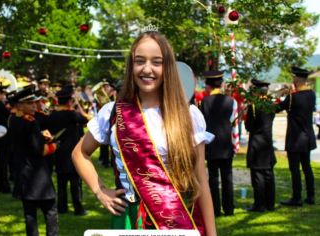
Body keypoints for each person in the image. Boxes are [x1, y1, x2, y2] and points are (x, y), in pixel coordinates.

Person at [72, 31, 216, 235]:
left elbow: (202, 182)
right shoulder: (113, 112)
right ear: (131, 66)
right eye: (140, 61)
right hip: (128, 219)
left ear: (167, 67)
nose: (147, 69)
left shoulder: (188, 115)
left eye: (156, 62)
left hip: (175, 219)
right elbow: (79, 153)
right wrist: (100, 190)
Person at [9, 85, 58, 236]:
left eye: (33, 102)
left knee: (30, 216)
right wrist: (55, 145)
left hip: (23, 174)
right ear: (19, 105)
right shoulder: (30, 122)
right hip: (38, 176)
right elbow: (39, 150)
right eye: (29, 103)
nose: (34, 105)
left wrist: (40, 136)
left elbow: (24, 141)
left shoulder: (14, 119)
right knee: (50, 211)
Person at [200, 71, 238, 217]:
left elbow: (202, 125)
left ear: (208, 85)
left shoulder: (204, 102)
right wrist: (235, 144)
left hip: (212, 144)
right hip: (226, 144)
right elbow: (234, 125)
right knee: (228, 177)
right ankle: (229, 209)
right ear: (221, 84)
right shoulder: (231, 101)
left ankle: (215, 209)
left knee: (213, 178)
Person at [48, 85, 89, 215]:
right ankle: (78, 208)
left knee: (61, 183)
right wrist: (78, 105)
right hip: (73, 153)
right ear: (69, 101)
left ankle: (62, 207)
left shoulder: (53, 115)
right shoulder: (72, 115)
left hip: (59, 152)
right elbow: (85, 119)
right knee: (75, 182)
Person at [278, 66, 316, 206]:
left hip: (295, 137)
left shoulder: (292, 97)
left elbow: (278, 108)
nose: (293, 79)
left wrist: (283, 93)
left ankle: (297, 197)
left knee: (295, 169)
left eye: (294, 77)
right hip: (307, 136)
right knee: (307, 167)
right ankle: (311, 196)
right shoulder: (311, 94)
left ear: (299, 79)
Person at [245, 79, 276, 212]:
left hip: (257, 144)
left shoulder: (254, 106)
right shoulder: (271, 104)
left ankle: (260, 204)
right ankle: (270, 203)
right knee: (268, 174)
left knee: (258, 176)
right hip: (267, 143)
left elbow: (248, 126)